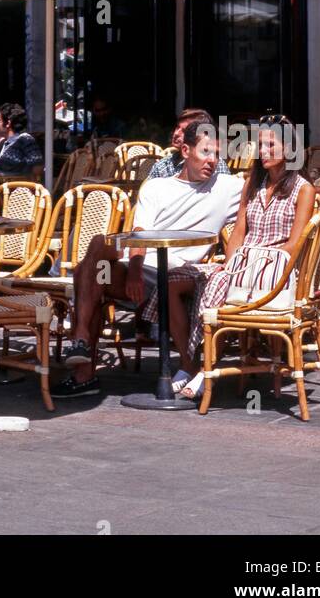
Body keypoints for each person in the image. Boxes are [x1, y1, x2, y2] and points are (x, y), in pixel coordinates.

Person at [53, 120, 244, 398]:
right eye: (205, 152)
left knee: (89, 276)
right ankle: (82, 348)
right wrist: (134, 270)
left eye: (217, 154)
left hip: (183, 274)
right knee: (97, 254)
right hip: (144, 272)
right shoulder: (156, 187)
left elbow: (275, 186)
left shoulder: (227, 186)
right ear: (186, 150)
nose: (212, 161)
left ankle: (81, 357)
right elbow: (140, 233)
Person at [176, 114, 317, 399]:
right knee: (189, 278)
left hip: (277, 271)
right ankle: (196, 364)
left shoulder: (303, 189)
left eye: (270, 145)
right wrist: (230, 265)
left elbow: (294, 245)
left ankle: (202, 368)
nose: (263, 152)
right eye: (260, 146)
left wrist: (250, 260)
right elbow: (239, 231)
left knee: (214, 285)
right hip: (244, 267)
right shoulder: (253, 183)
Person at [146, 108, 230, 179]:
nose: (176, 133)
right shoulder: (163, 166)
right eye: (177, 127)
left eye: (184, 130)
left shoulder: (217, 166)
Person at [0, 103, 43, 177]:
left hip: (16, 187)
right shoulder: (8, 143)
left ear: (8, 123)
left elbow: (38, 168)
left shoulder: (25, 139)